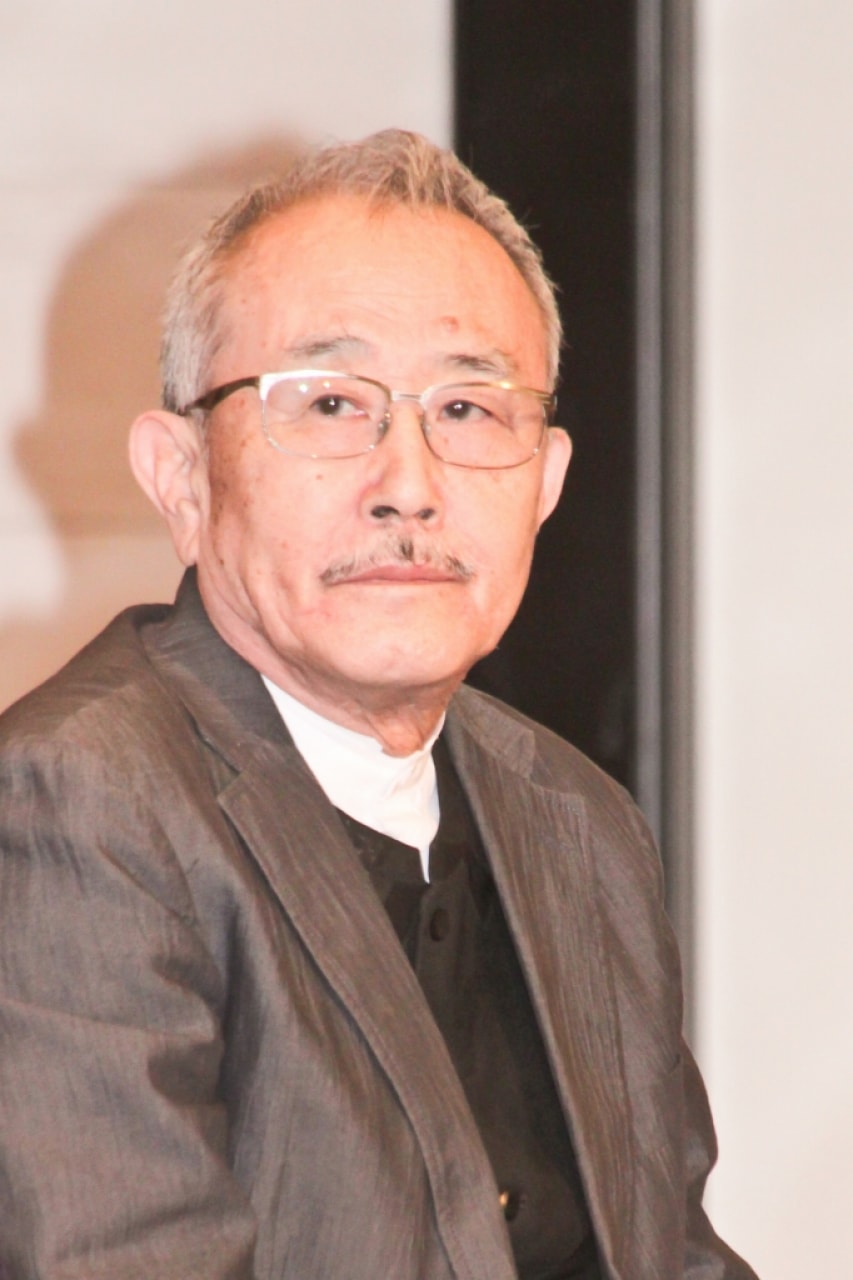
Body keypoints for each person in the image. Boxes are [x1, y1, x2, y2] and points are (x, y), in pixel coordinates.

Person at [0, 129, 756, 1280]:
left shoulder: (578, 818)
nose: (408, 484)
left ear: (545, 482)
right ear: (182, 478)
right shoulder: (78, 806)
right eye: (328, 403)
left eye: (468, 409)